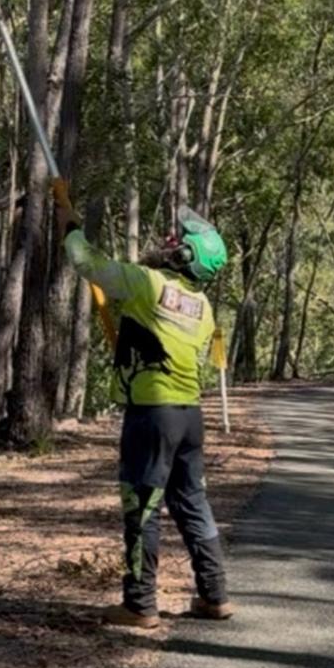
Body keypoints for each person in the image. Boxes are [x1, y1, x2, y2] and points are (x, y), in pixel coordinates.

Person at [53, 181, 232, 630]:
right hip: (188, 416)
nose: (168, 241)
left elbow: (88, 264)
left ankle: (139, 604)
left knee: (143, 506)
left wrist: (71, 228)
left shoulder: (148, 283)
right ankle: (214, 595)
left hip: (151, 415)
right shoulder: (203, 306)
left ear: (185, 255)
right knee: (192, 501)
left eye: (177, 240)